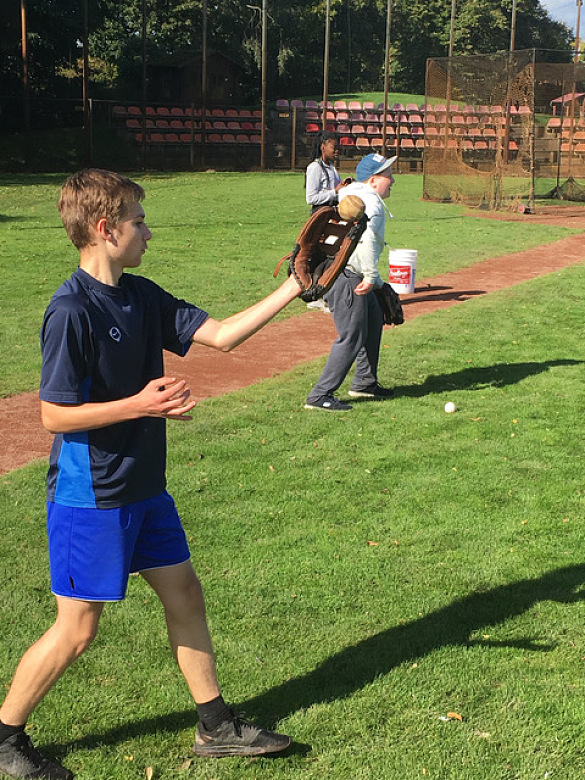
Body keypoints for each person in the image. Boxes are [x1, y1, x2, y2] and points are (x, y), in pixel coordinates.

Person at [0, 169, 304, 780]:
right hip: (94, 493)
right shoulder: (70, 310)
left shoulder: (141, 296)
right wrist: (140, 404)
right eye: (138, 221)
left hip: (145, 486)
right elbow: (53, 415)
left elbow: (222, 337)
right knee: (77, 629)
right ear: (105, 229)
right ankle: (5, 736)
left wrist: (295, 286)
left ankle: (215, 727)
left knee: (184, 592)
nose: (148, 232)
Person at [304, 153, 396, 412]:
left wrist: (376, 282)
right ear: (374, 180)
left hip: (340, 271)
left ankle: (365, 382)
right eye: (388, 176)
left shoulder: (350, 195)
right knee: (352, 336)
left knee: (374, 320)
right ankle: (320, 395)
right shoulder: (371, 203)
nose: (393, 180)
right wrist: (372, 278)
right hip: (348, 277)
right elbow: (366, 241)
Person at [304, 131, 351, 313]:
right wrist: (335, 192)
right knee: (319, 256)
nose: (337, 150)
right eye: (334, 147)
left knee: (331, 255)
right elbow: (311, 198)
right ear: (323, 147)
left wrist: (344, 187)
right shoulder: (314, 168)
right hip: (319, 217)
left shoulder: (331, 167)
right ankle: (314, 295)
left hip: (331, 216)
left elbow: (335, 190)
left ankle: (324, 294)